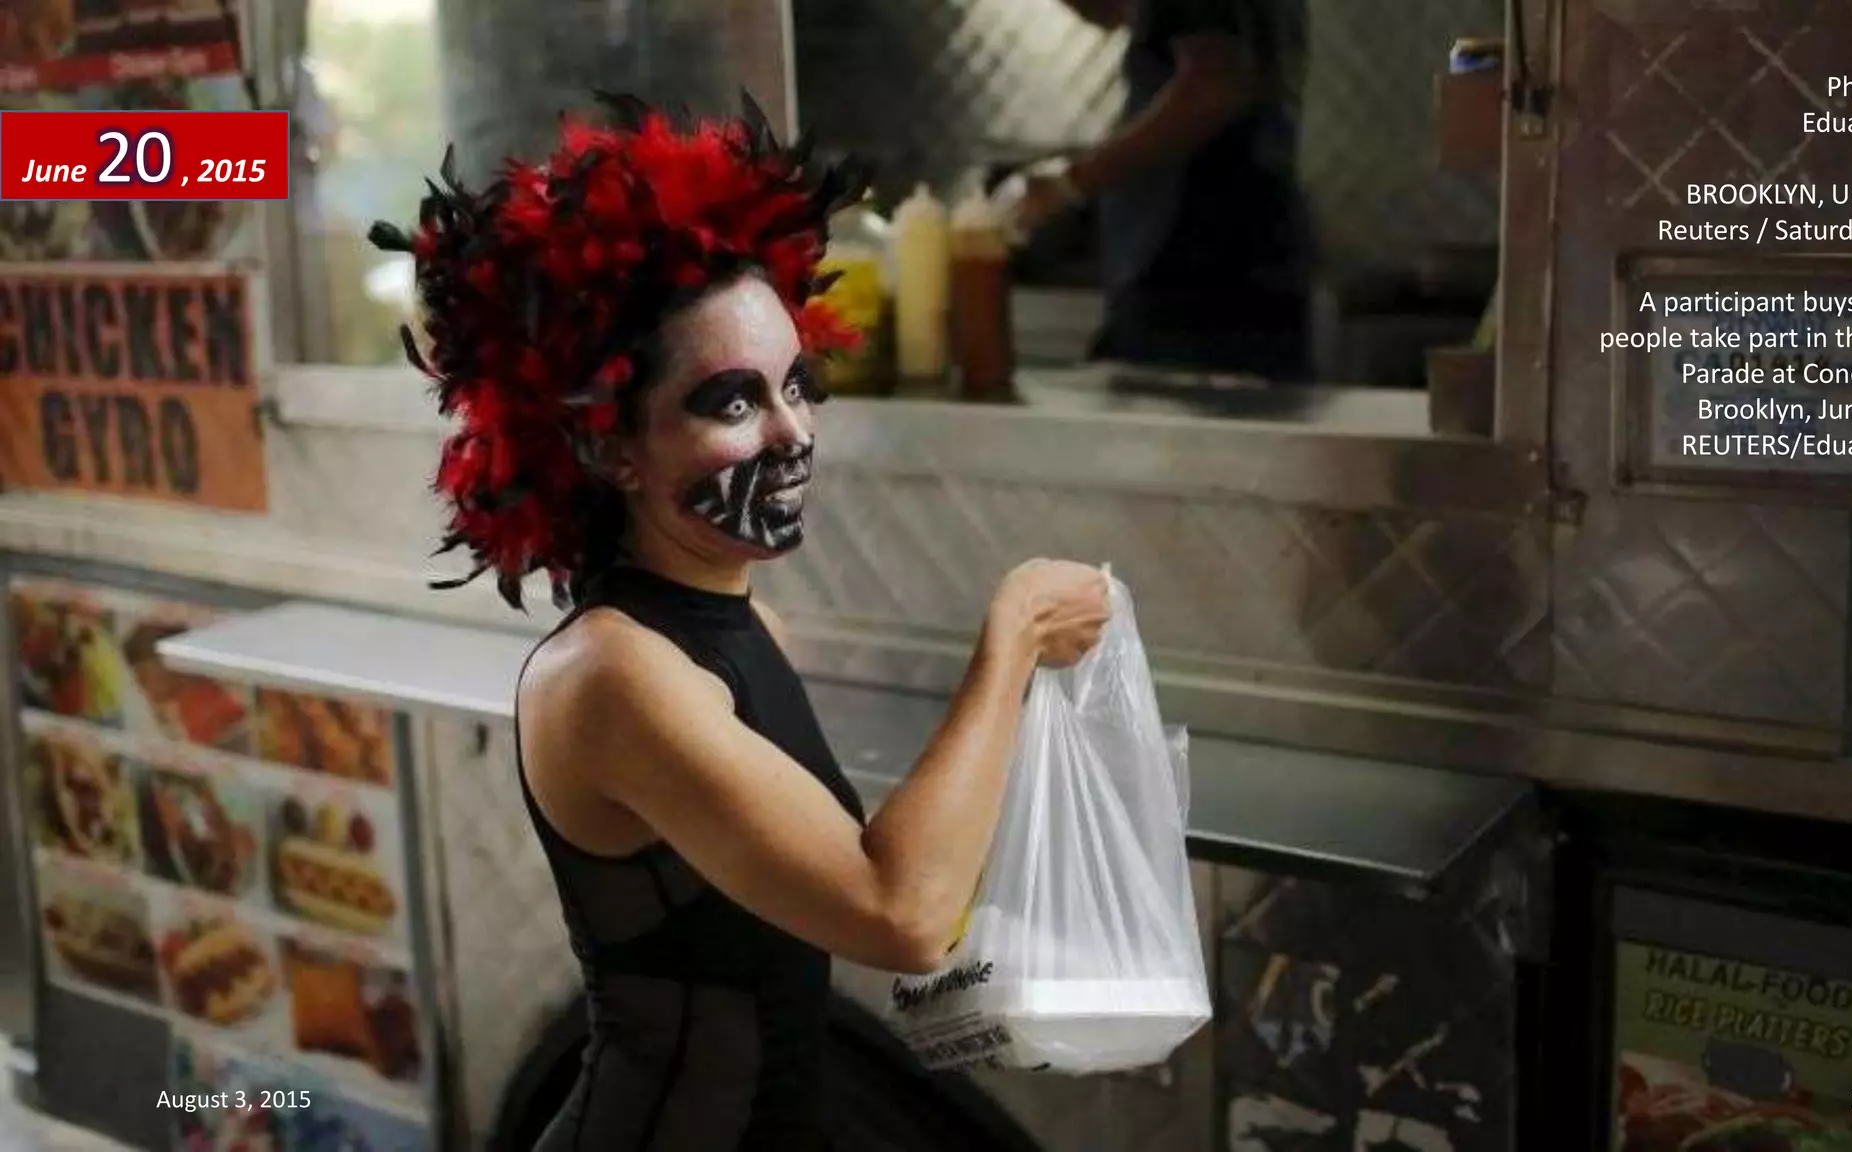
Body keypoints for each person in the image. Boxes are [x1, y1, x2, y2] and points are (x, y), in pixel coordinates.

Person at [371, 94, 1111, 1151]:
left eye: (796, 384)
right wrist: (1013, 642)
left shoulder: (733, 613)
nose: (791, 432)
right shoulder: (612, 676)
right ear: (607, 450)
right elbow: (895, 913)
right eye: (730, 403)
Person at [1018, 0, 1311, 380]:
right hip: (1249, 263)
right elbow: (1120, 12)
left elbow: (1215, 85)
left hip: (1193, 274)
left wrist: (1072, 182)